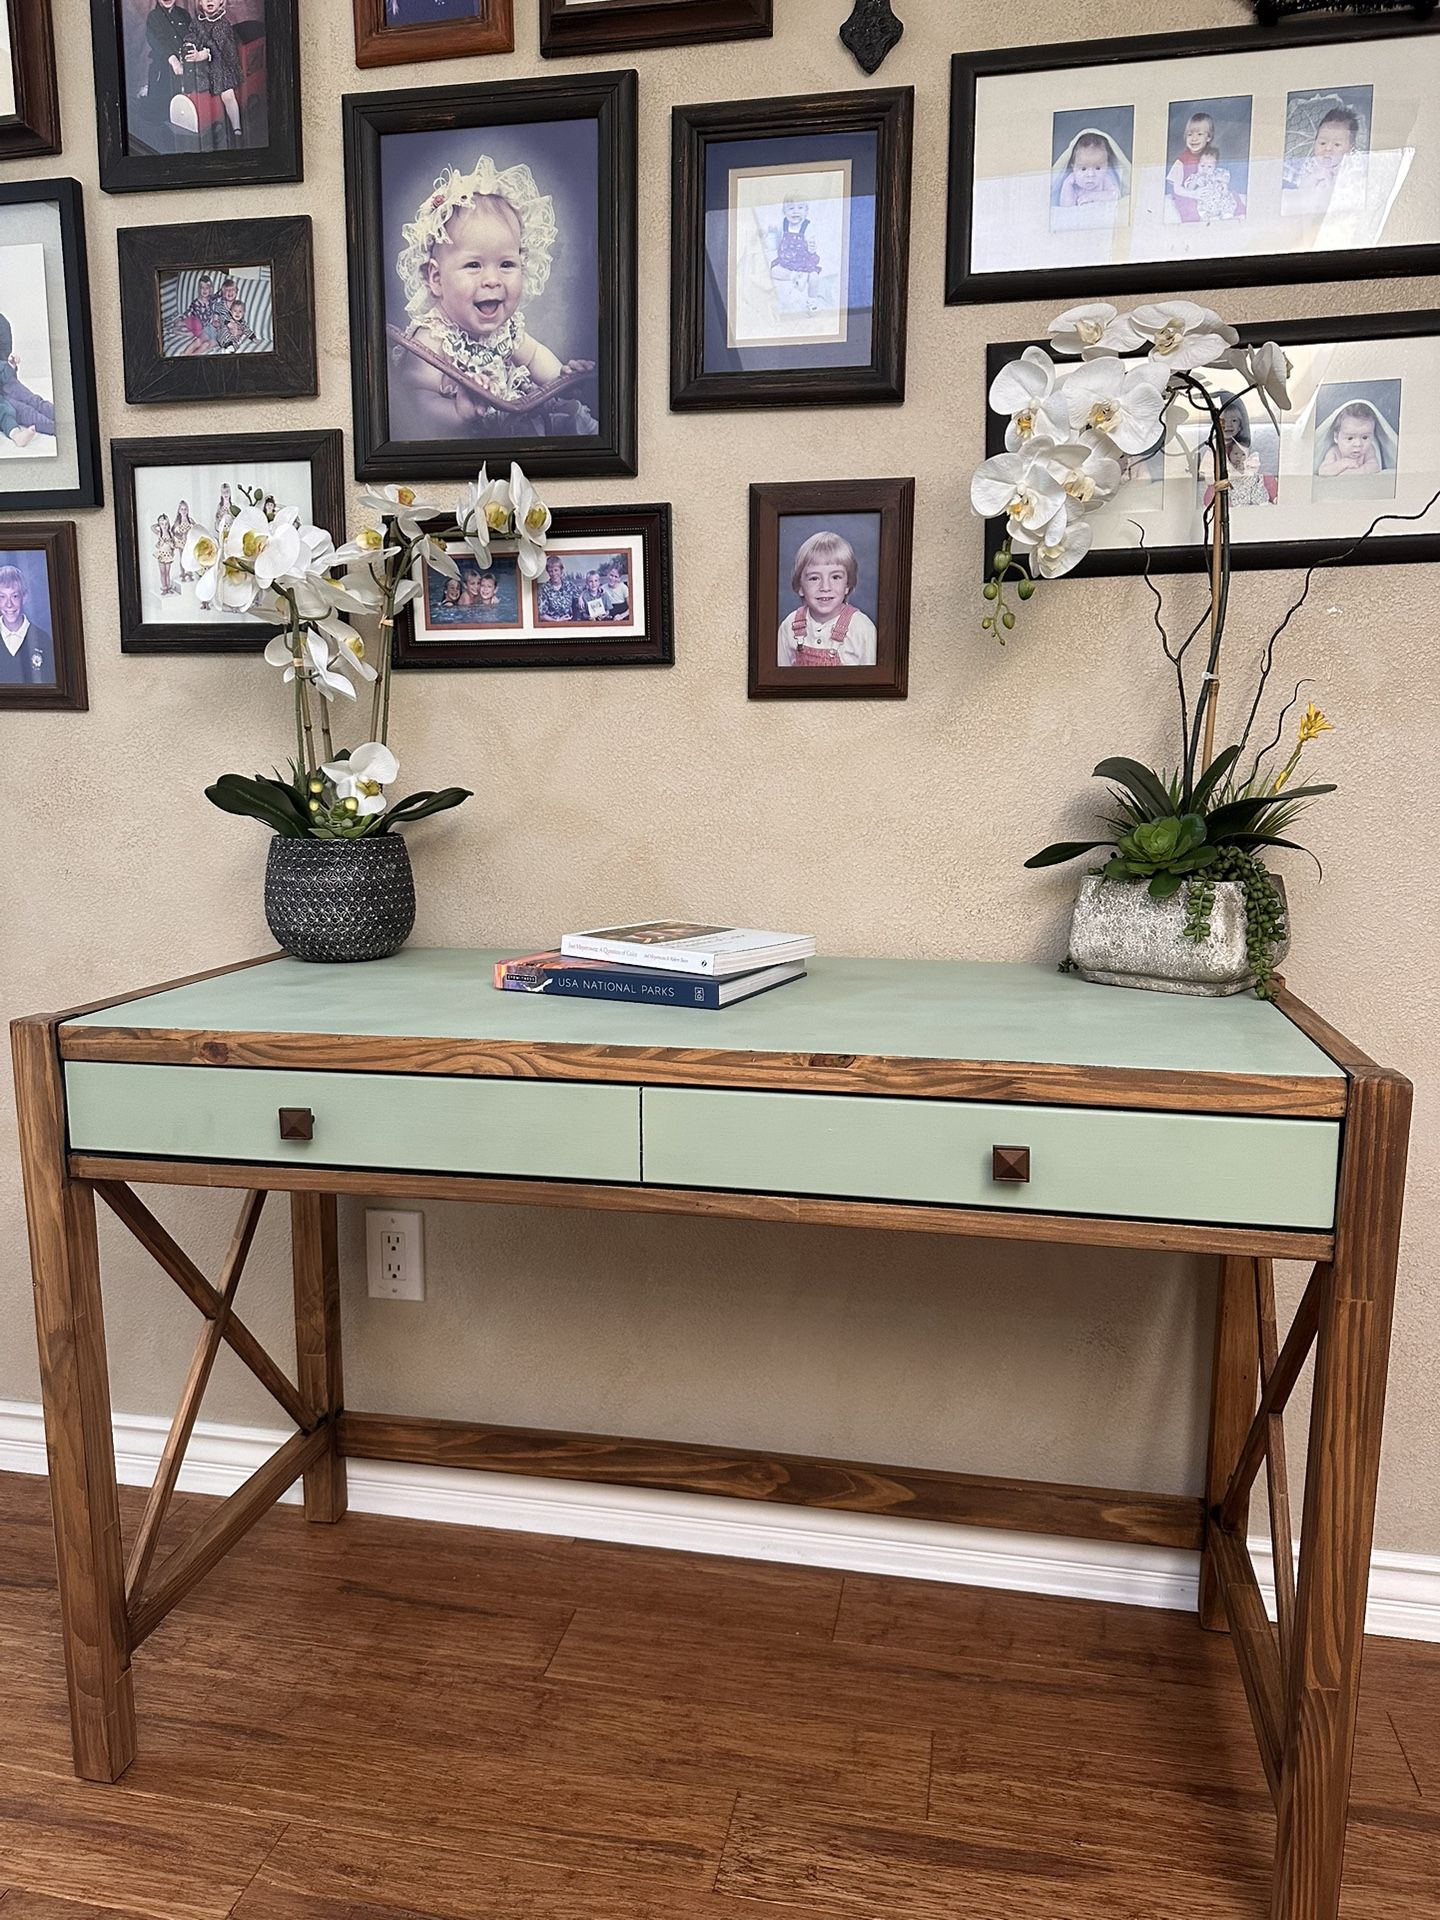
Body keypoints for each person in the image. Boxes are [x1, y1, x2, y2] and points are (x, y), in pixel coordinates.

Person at [394, 155, 594, 439]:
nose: (492, 280)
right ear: (436, 278)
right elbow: (416, 402)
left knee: (569, 425)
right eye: (473, 265)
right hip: (468, 442)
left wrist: (563, 379)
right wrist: (457, 411)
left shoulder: (506, 330)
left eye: (506, 264)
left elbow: (535, 357)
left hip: (517, 426)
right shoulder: (432, 337)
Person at [776, 531, 877, 669]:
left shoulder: (862, 629)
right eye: (814, 578)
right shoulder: (789, 626)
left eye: (835, 577)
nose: (825, 587)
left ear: (847, 585)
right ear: (800, 587)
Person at [180, 0, 244, 146]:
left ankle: (237, 128)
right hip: (204, 66)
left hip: (222, 64)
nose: (209, 1)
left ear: (221, 1)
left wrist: (202, 54)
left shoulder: (223, 24)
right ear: (200, 3)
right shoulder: (196, 22)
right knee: (192, 83)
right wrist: (189, 45)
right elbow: (191, 35)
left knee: (228, 95)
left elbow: (219, 48)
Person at [1284, 104, 1364, 216]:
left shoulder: (1351, 167)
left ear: (1350, 148)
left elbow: (1353, 193)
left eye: (1337, 144)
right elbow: (1301, 187)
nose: (1328, 148)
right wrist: (1313, 178)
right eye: (1322, 143)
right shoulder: (1310, 164)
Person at [0, 315, 54, 446]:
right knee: (19, 410)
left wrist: (10, 364)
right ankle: (54, 428)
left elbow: (5, 361)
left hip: (7, 381)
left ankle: (66, 417)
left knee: (33, 400)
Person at [0, 564, 53, 687]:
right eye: (2, 597)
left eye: (15, 596)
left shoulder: (43, 640)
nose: (9, 604)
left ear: (24, 598)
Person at [144, 0, 195, 123]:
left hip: (186, 66)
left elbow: (192, 36)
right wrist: (173, 60)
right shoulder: (153, 17)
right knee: (158, 116)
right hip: (163, 68)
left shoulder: (184, 14)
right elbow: (157, 42)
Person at [770, 197, 823, 312]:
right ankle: (795, 275)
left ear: (806, 211)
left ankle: (812, 301)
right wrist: (772, 230)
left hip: (803, 260)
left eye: (800, 208)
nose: (795, 211)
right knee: (773, 271)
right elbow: (777, 235)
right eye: (791, 208)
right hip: (787, 260)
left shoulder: (807, 227)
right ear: (784, 212)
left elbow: (812, 244)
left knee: (814, 277)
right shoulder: (783, 223)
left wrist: (812, 248)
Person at [1317, 399, 1388, 477]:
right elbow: (1323, 471)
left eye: (1364, 437)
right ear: (1336, 437)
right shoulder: (1334, 452)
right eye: (1350, 438)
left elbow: (1374, 466)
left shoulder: (1369, 450)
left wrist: (1353, 472)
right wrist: (1343, 463)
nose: (1358, 444)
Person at [1166, 110, 1215, 223]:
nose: (1194, 138)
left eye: (1199, 134)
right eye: (1190, 134)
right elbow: (1177, 189)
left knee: (1231, 197)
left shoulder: (1210, 157)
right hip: (1187, 194)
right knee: (1189, 208)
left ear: (1208, 137)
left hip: (1205, 193)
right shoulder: (1181, 161)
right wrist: (1194, 194)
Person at [1057, 132, 1123, 209]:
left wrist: (1093, 196)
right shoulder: (1072, 183)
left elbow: (1116, 196)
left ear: (1107, 166)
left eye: (1098, 168)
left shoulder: (1105, 180)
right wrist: (1067, 186)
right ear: (1073, 167)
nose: (1091, 174)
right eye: (1083, 169)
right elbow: (1066, 208)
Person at [1190, 148, 1243, 224]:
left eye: (1209, 166)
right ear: (1197, 164)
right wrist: (1195, 181)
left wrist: (1218, 179)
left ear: (1215, 166)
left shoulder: (1219, 172)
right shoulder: (1196, 176)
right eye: (1202, 166)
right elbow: (1189, 188)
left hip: (1221, 197)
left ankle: (1227, 216)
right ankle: (1211, 218)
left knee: (1227, 205)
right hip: (1206, 201)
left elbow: (1226, 179)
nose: (1205, 169)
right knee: (1204, 212)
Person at [536, 552, 581, 623]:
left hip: (570, 623)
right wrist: (557, 621)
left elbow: (581, 595)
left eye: (556, 570)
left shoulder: (569, 585)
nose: (553, 573)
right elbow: (542, 615)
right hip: (553, 625)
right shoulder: (544, 589)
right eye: (550, 571)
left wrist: (580, 598)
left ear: (561, 571)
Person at [152, 514, 179, 597]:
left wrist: (170, 544)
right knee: (162, 572)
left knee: (167, 572)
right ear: (160, 525)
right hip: (161, 554)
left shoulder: (170, 533)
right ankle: (164, 587)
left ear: (168, 524)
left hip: (168, 555)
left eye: (166, 524)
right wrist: (158, 524)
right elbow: (152, 528)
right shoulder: (159, 533)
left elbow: (174, 545)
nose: (164, 526)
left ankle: (168, 587)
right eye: (162, 524)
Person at [173, 500, 198, 580]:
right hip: (182, 542)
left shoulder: (190, 520)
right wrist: (179, 536)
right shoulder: (178, 521)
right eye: (182, 509)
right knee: (182, 558)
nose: (184, 511)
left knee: (189, 557)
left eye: (185, 509)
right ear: (179, 511)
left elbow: (196, 527)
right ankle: (183, 573)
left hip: (189, 542)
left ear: (187, 510)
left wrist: (191, 534)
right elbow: (173, 531)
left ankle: (189, 573)